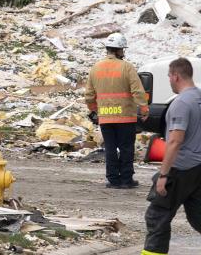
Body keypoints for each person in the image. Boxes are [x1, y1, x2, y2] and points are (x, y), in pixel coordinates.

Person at [142, 57, 201, 254]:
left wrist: (163, 175)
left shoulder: (181, 103)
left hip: (180, 169)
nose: (168, 81)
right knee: (198, 216)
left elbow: (175, 141)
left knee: (157, 216)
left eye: (169, 76)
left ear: (175, 76)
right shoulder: (199, 98)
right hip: (198, 168)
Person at [85, 32, 149, 189]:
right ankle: (126, 180)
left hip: (105, 117)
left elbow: (89, 95)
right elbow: (137, 91)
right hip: (125, 117)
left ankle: (113, 180)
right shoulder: (127, 67)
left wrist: (94, 110)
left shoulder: (95, 68)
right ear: (119, 50)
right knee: (126, 148)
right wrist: (144, 107)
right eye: (123, 49)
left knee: (110, 148)